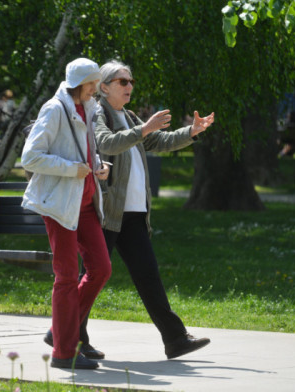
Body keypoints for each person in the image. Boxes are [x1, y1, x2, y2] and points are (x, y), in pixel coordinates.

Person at [82, 59, 215, 359]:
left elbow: (159, 140)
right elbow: (107, 144)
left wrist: (191, 132)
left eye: (131, 81)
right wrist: (143, 129)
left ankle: (175, 339)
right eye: (122, 81)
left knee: (148, 276)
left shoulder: (128, 116)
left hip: (133, 216)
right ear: (103, 87)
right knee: (91, 276)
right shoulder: (98, 114)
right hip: (106, 213)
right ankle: (68, 335)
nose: (130, 86)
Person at [22, 58, 112, 370]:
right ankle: (63, 352)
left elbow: (83, 148)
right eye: (92, 83)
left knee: (101, 268)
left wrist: (97, 165)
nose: (96, 89)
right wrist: (71, 169)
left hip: (85, 201)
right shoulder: (54, 109)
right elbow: (30, 157)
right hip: (60, 204)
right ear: (78, 83)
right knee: (67, 276)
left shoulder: (88, 107)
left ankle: (61, 329)